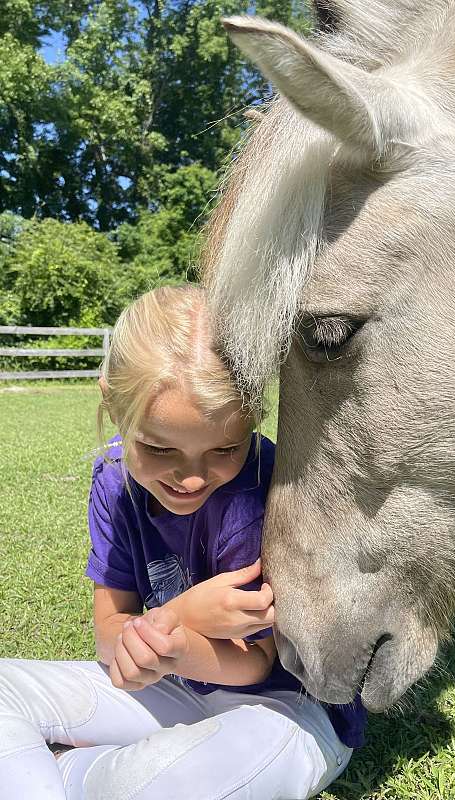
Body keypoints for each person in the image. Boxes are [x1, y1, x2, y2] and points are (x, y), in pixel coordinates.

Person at [0, 284, 366, 800]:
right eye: (158, 446)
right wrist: (178, 621)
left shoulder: (269, 486)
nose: (191, 479)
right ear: (112, 402)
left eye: (224, 448)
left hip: (284, 707)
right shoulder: (113, 479)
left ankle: (71, 776)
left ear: (255, 416)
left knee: (181, 782)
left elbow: (255, 662)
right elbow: (109, 632)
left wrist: (167, 629)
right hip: (173, 681)